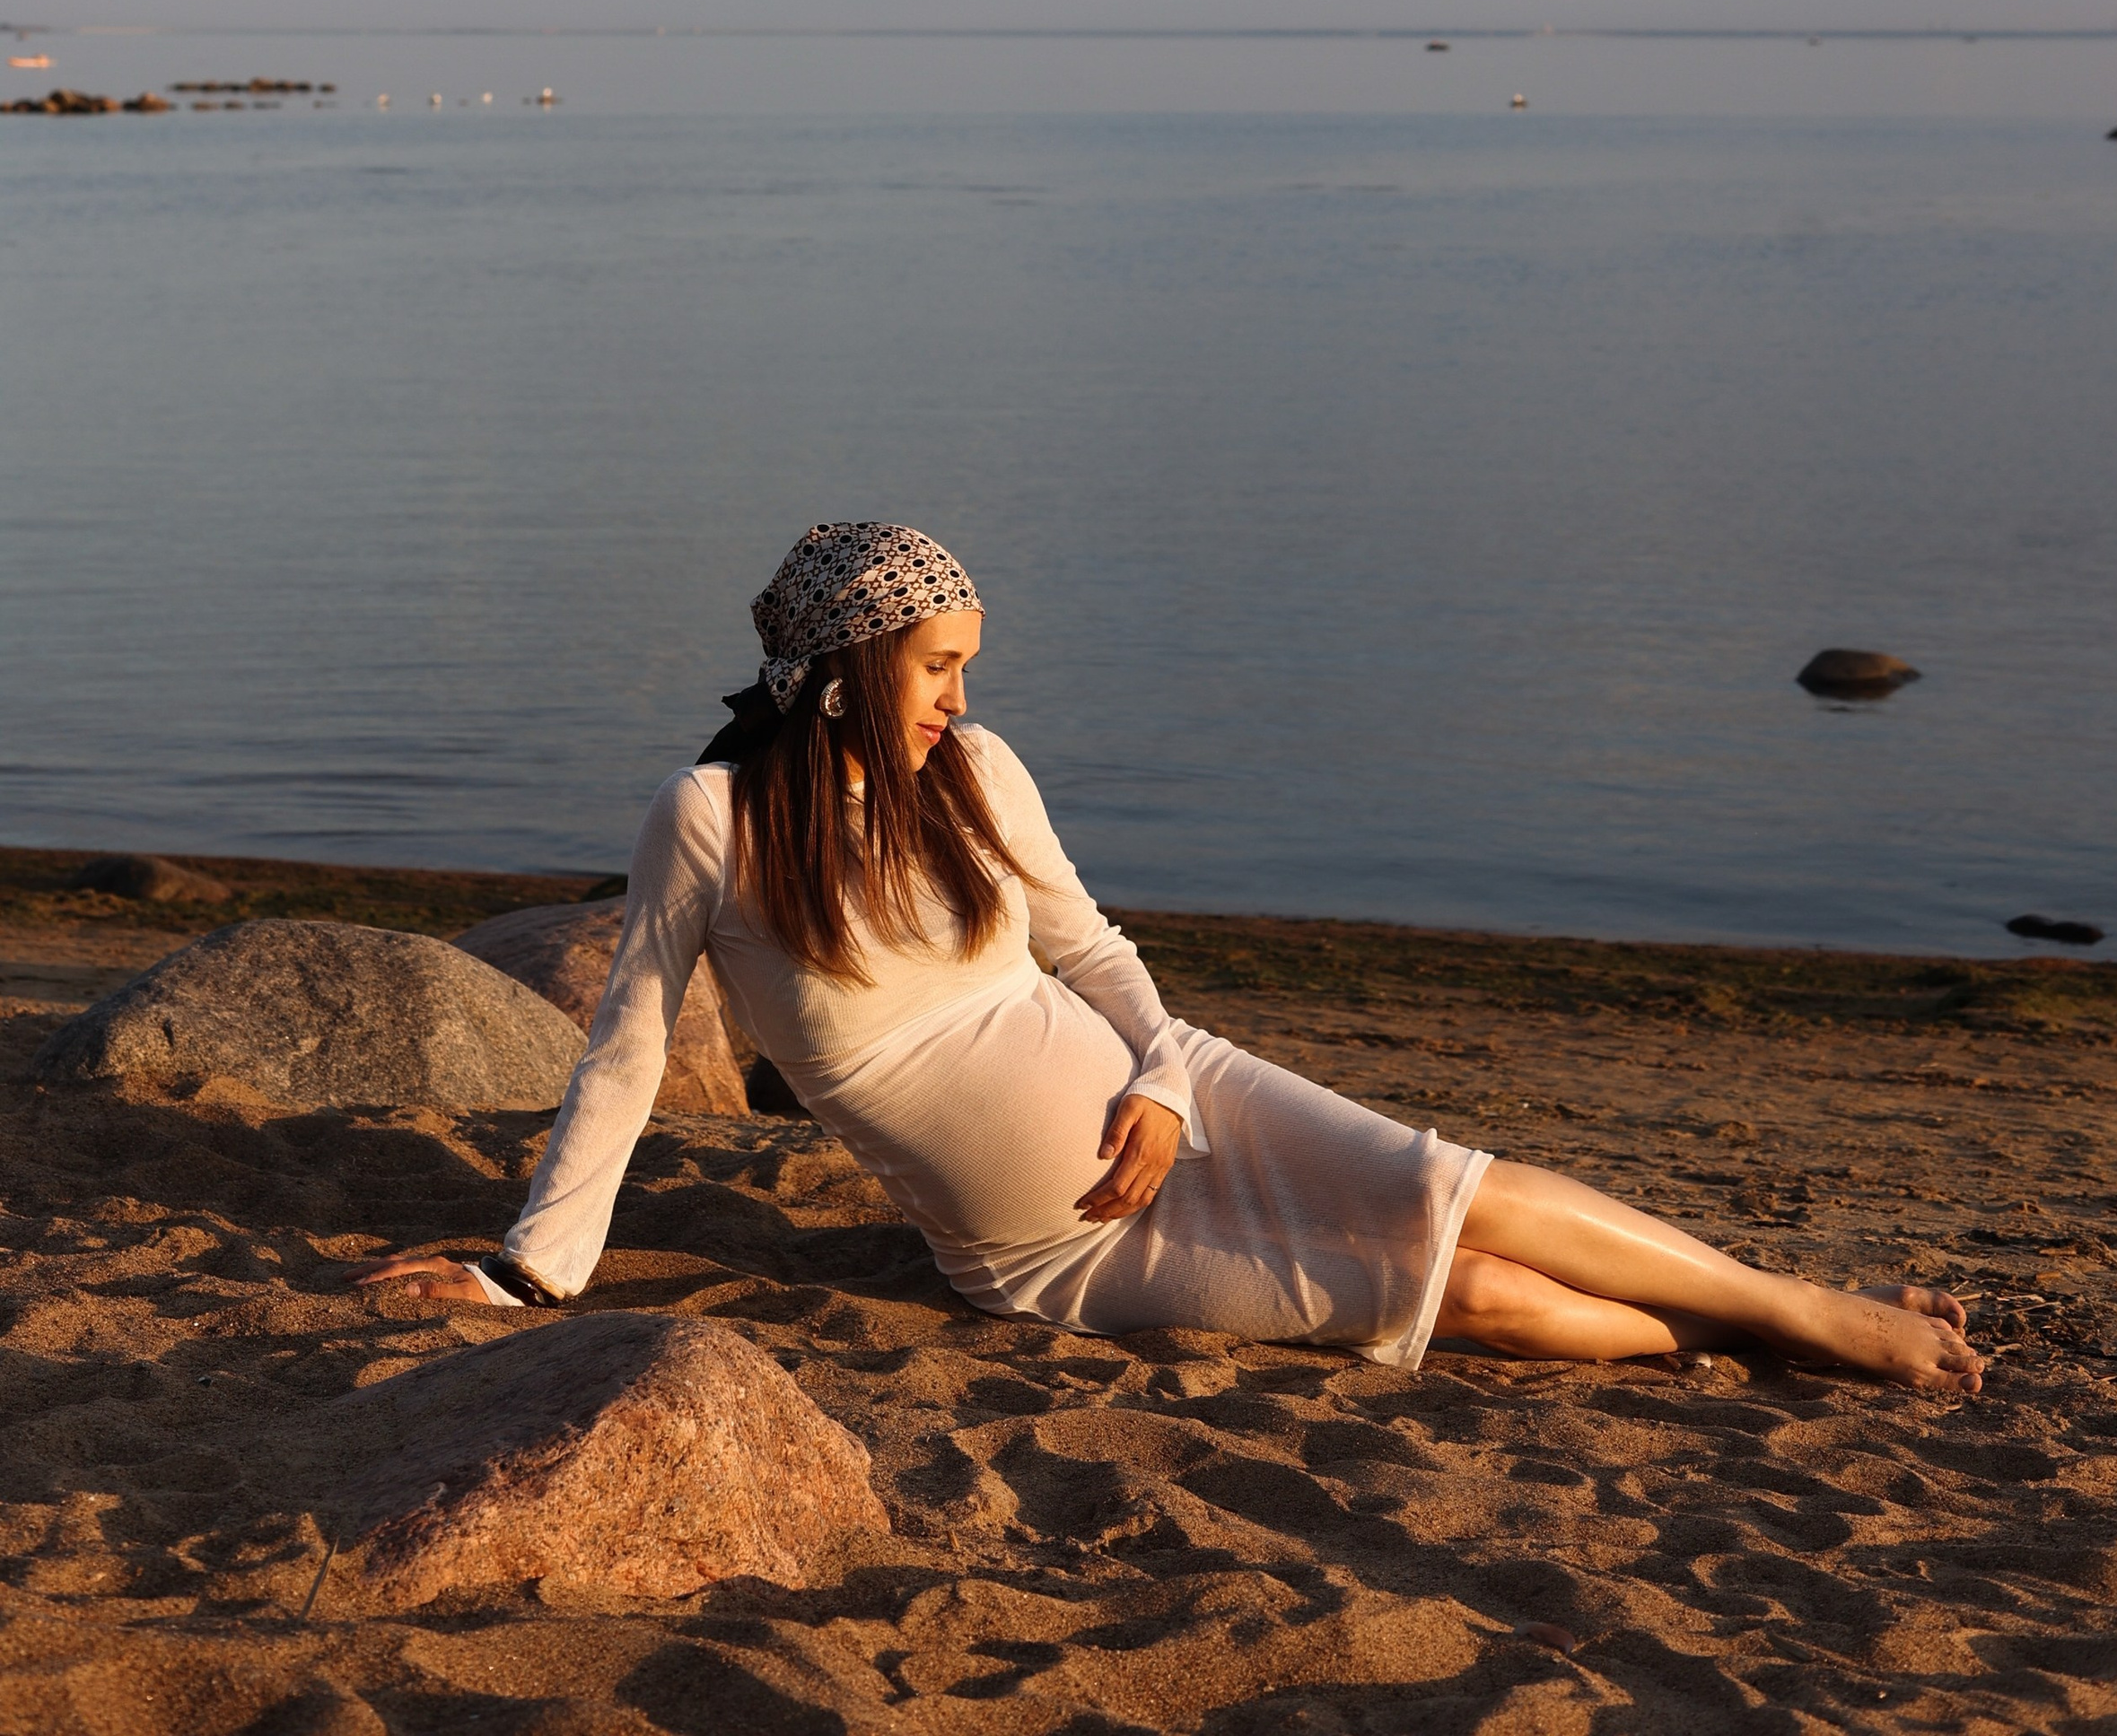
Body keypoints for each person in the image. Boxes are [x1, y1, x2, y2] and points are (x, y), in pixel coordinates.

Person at [358, 525, 1981, 1392]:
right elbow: (629, 1047)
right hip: (1045, 1243)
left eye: (966, 666)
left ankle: (1805, 1311)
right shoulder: (711, 818)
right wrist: (533, 1267)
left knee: (1448, 1185)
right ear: (846, 661)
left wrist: (1158, 1085)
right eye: (935, 664)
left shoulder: (978, 777)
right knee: (1461, 1301)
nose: (956, 695)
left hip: (1167, 1098)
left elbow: (1099, 951)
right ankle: (1733, 1328)